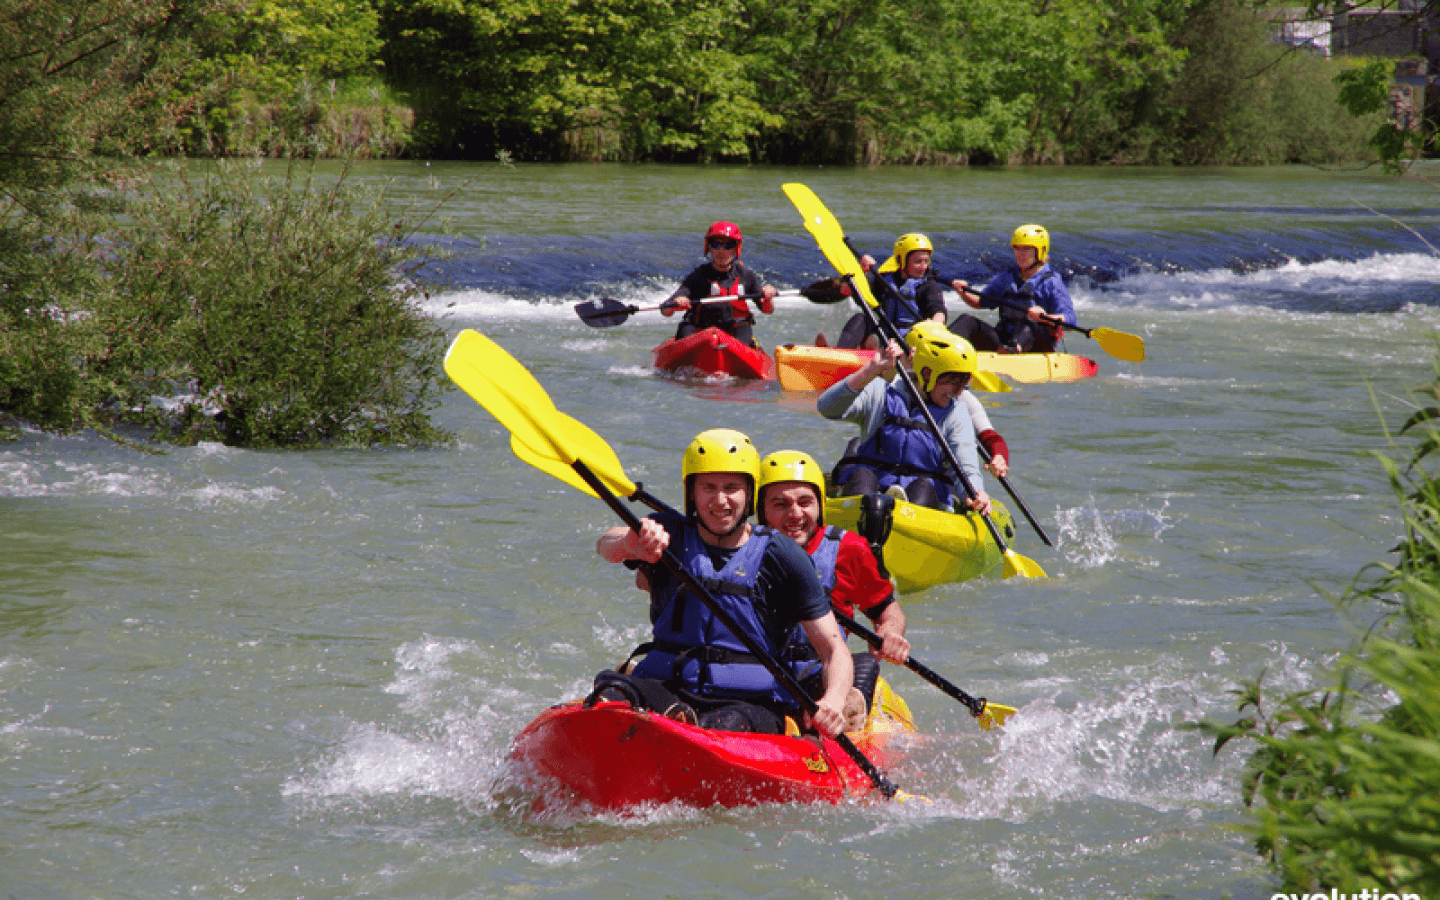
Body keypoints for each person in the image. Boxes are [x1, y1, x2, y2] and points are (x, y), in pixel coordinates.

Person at [591, 428, 852, 738]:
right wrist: (631, 544)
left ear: (750, 493)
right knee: (609, 691)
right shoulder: (668, 533)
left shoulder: (782, 555)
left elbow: (834, 650)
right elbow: (607, 545)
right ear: (692, 493)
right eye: (708, 487)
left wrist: (833, 701)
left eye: (732, 487)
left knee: (723, 725)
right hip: (667, 688)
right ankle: (672, 724)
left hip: (747, 704)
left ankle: (682, 729)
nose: (720, 500)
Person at [817, 324, 992, 514]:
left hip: (921, 502)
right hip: (872, 491)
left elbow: (966, 465)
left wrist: (976, 492)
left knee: (923, 488)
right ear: (927, 374)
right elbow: (826, 408)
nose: (959, 392)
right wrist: (870, 370)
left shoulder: (956, 412)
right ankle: (862, 525)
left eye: (963, 384)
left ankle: (898, 511)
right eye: (953, 382)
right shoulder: (880, 391)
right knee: (861, 476)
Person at [949, 224, 1077, 354]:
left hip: (1037, 346)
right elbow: (981, 302)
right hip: (1004, 341)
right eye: (1017, 249)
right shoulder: (1007, 277)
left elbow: (1071, 319)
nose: (1020, 254)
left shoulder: (1051, 282)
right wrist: (963, 292)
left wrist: (1045, 317)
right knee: (967, 321)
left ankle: (1015, 349)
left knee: (1031, 318)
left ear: (1040, 251)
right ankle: (941, 347)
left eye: (1026, 249)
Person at [661, 222, 777, 347]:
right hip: (701, 334)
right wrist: (676, 304)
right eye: (716, 245)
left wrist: (768, 298)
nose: (721, 251)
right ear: (709, 247)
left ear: (735, 249)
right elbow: (665, 309)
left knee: (745, 329)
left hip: (734, 334)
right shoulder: (698, 276)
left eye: (728, 246)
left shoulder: (746, 275)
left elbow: (767, 310)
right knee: (685, 328)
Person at [834, 233, 948, 350]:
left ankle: (868, 350)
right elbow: (848, 291)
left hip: (911, 344)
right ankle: (840, 354)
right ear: (901, 260)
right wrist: (861, 271)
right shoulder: (884, 281)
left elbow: (938, 311)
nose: (923, 267)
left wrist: (934, 325)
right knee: (861, 319)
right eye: (918, 262)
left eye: (926, 261)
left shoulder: (928, 286)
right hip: (885, 339)